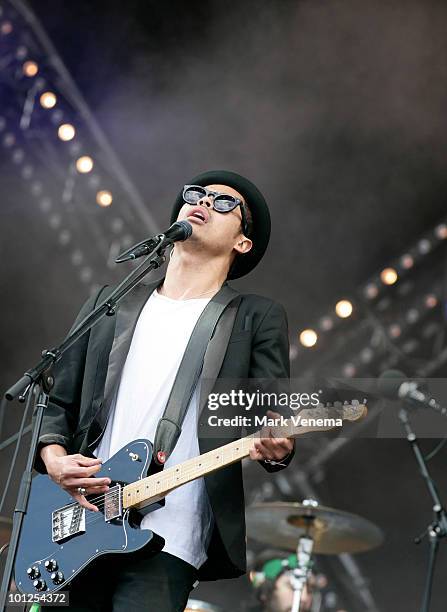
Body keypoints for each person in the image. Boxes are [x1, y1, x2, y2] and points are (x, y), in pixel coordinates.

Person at [35, 170, 295, 611]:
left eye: (225, 203)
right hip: (79, 518)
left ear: (242, 243)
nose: (205, 202)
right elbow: (59, 399)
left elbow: (275, 411)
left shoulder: (255, 316)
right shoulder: (111, 303)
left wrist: (280, 444)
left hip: (170, 532)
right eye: (197, 194)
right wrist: (55, 460)